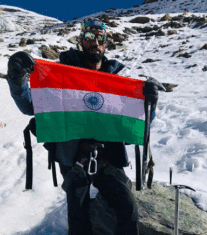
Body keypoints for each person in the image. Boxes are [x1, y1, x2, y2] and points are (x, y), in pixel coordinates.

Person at [7, 18, 160, 235]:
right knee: (78, 217)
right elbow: (31, 105)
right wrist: (17, 78)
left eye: (100, 38)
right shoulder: (61, 76)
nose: (94, 42)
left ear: (106, 44)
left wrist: (149, 103)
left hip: (108, 157)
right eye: (89, 37)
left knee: (128, 209)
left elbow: (138, 123)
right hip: (73, 158)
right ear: (81, 40)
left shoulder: (114, 80)